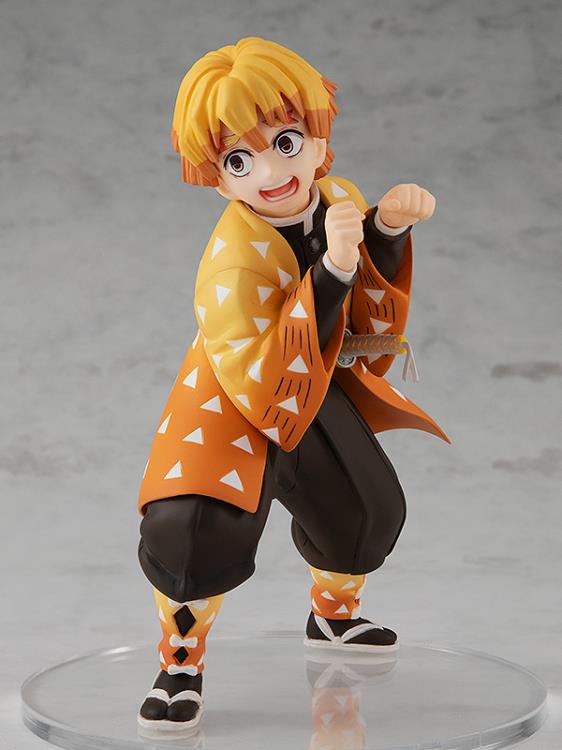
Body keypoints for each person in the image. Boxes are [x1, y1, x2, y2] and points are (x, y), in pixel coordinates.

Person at [136, 37, 448, 731]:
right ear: (218, 180)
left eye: (286, 142)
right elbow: (259, 359)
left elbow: (360, 321)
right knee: (194, 531)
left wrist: (386, 231)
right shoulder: (231, 262)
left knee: (363, 508)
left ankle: (333, 618)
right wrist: (332, 270)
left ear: (319, 139)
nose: (272, 172)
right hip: (232, 398)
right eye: (238, 160)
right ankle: (179, 664)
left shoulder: (340, 199)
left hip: (309, 390)